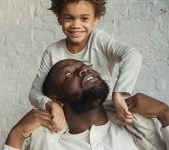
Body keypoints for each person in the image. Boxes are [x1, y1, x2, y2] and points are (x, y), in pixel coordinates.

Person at [4, 59, 169, 150]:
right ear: (57, 99)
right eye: (68, 75)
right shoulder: (53, 143)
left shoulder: (136, 128)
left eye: (84, 66)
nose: (84, 70)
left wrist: (165, 113)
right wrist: (16, 134)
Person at [29, 0, 142, 132]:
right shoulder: (53, 52)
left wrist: (119, 93)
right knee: (43, 135)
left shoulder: (99, 40)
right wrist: (52, 105)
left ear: (95, 20)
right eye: (69, 18)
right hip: (71, 117)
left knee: (141, 124)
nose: (76, 25)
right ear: (59, 19)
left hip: (104, 112)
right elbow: (34, 92)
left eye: (84, 18)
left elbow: (132, 55)